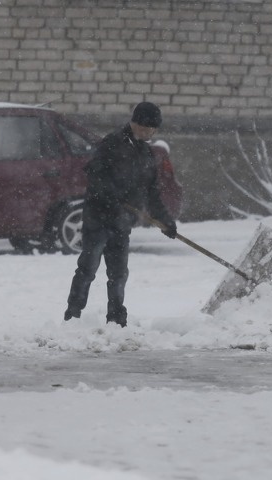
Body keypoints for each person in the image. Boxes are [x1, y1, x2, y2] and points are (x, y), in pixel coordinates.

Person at [64, 101, 177, 327]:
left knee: (118, 274)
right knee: (87, 269)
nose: (147, 132)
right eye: (143, 127)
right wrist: (110, 196)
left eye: (151, 129)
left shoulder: (146, 154)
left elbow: (152, 193)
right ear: (133, 123)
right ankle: (73, 315)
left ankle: (116, 318)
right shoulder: (112, 143)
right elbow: (94, 175)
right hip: (98, 219)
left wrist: (166, 221)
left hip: (121, 224)